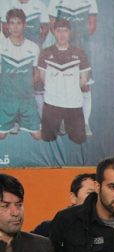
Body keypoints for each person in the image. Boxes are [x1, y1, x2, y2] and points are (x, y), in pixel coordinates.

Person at [35, 19, 90, 144]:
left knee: (78, 140)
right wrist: (55, 89)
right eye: (59, 31)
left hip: (73, 103)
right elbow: (43, 77)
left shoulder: (79, 53)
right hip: (52, 103)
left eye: (65, 31)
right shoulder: (45, 52)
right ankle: (59, 123)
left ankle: (66, 124)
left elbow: (84, 79)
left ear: (70, 33)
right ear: (54, 32)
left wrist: (71, 89)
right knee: (48, 138)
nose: (62, 34)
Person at [48, 0, 96, 136]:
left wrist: (77, 41)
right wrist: (64, 41)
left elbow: (92, 26)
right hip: (62, 47)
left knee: (85, 85)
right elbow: (52, 25)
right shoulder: (55, 1)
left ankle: (84, 123)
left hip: (82, 47)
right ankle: (63, 121)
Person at [0, 8, 41, 141]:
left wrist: (27, 88)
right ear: (7, 25)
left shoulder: (33, 47)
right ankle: (13, 120)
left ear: (24, 25)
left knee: (38, 136)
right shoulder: (1, 46)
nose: (15, 27)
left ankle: (19, 119)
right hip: (7, 100)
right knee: (1, 136)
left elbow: (36, 73)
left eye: (18, 23)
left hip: (27, 100)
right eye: (12, 23)